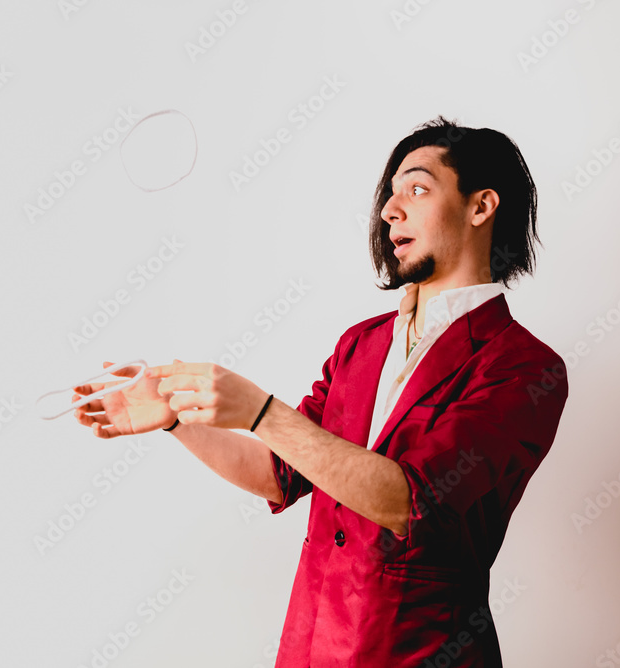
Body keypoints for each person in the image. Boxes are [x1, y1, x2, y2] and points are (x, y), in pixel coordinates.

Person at [72, 116, 569, 667]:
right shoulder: (361, 343)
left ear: (481, 207)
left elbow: (411, 503)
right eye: (390, 193)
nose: (390, 209)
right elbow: (281, 473)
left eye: (417, 189)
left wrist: (261, 412)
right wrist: (175, 418)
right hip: (309, 648)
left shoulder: (524, 367)